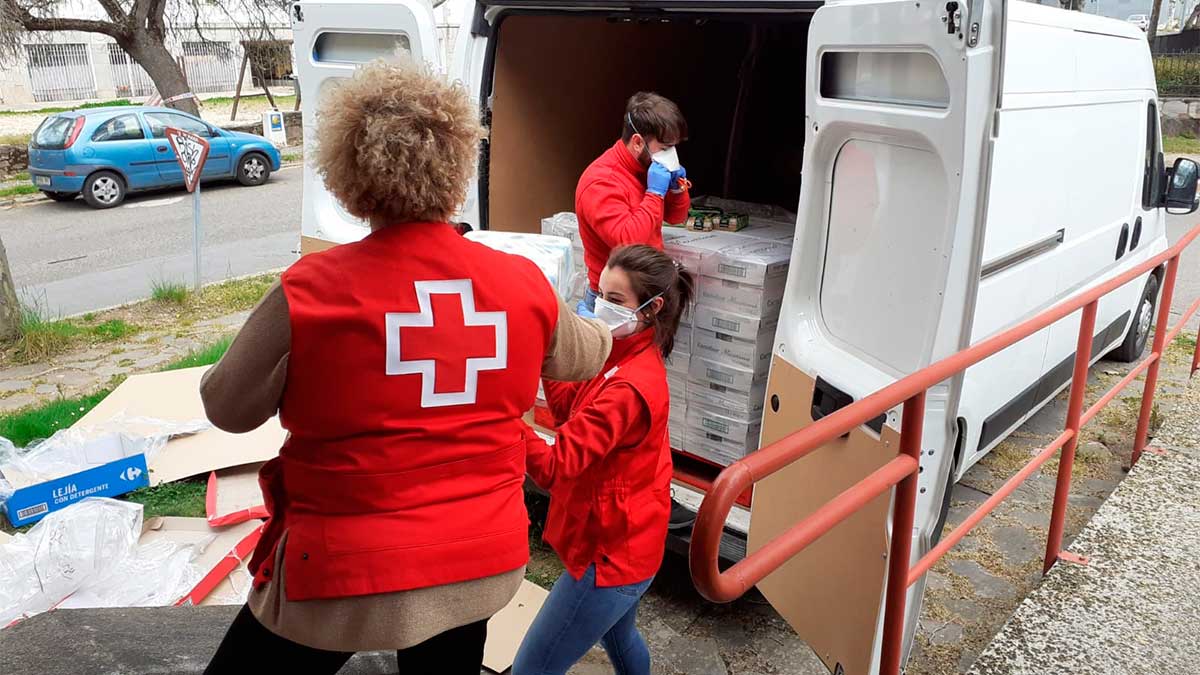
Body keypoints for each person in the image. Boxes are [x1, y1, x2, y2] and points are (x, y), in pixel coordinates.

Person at [200, 60, 612, 674]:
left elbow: (227, 409)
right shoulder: (521, 283)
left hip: (341, 569)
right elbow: (587, 354)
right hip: (480, 556)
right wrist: (613, 317)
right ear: (456, 166)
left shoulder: (311, 291)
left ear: (349, 174)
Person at [513, 244, 696, 675]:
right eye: (599, 294)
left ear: (652, 310)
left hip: (611, 555)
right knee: (620, 637)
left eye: (615, 301)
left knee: (531, 668)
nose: (600, 307)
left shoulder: (630, 387)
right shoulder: (617, 353)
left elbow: (555, 468)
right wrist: (546, 348)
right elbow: (567, 411)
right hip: (630, 542)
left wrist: (501, 416)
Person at [575, 92, 691, 316]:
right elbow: (628, 242)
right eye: (666, 147)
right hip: (616, 301)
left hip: (648, 295)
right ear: (638, 142)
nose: (671, 154)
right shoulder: (601, 182)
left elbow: (677, 217)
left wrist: (677, 190)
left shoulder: (647, 168)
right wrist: (654, 193)